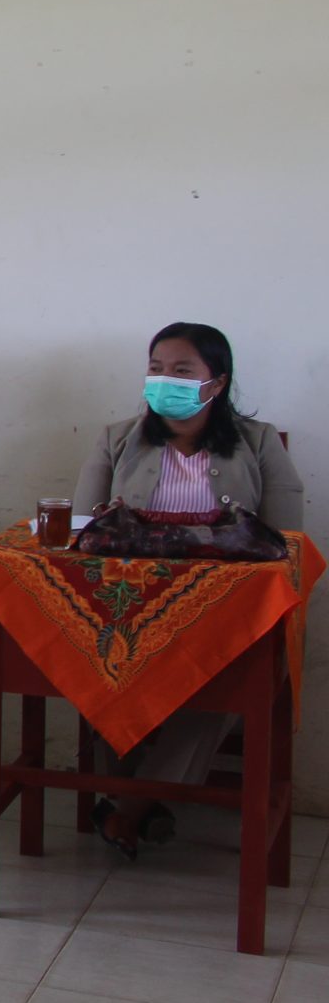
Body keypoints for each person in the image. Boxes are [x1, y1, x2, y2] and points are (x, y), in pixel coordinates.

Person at [74, 321, 303, 856]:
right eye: (156, 369)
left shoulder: (259, 442)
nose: (164, 381)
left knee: (234, 671)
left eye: (181, 371)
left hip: (227, 611)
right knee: (100, 657)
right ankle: (145, 804)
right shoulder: (115, 438)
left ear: (216, 382)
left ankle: (127, 806)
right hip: (131, 606)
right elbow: (86, 530)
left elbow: (288, 541)